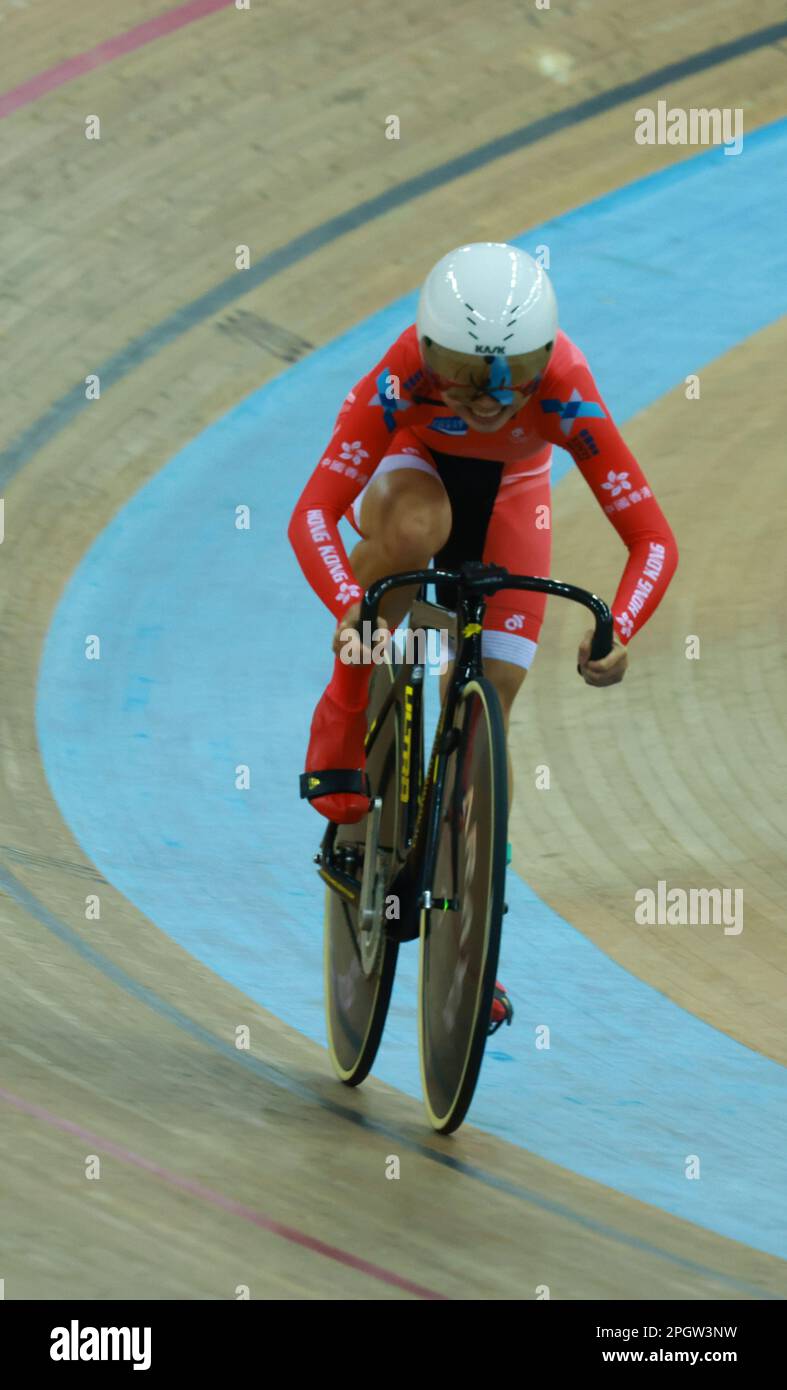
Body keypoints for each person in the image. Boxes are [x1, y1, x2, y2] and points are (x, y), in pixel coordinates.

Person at [289, 241, 678, 1030]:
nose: (491, 397)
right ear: (429, 349)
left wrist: (619, 627)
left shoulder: (567, 387)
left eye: (515, 372)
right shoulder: (401, 375)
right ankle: (344, 708)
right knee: (415, 532)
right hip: (413, 466)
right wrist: (346, 603)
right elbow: (311, 513)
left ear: (547, 356)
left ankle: (467, 944)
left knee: (487, 713)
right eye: (465, 374)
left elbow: (653, 538)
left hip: (514, 495)